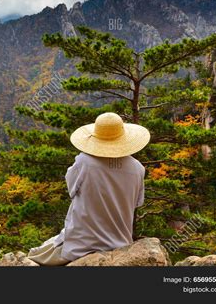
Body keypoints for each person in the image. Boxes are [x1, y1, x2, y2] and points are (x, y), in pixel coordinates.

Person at [28, 112, 150, 265]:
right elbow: (137, 202)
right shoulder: (137, 168)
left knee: (34, 255)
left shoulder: (84, 162)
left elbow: (71, 188)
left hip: (80, 244)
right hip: (121, 243)